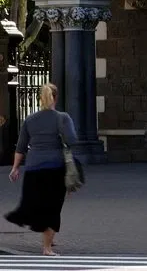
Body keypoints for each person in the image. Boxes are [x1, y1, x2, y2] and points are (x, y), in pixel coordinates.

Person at [5, 82, 77, 256]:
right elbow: (72, 140)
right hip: (55, 168)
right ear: (56, 98)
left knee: (40, 205)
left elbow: (21, 147)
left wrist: (15, 168)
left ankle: (48, 238)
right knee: (53, 206)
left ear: (40, 98)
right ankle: (47, 248)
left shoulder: (30, 119)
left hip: (33, 169)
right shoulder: (62, 118)